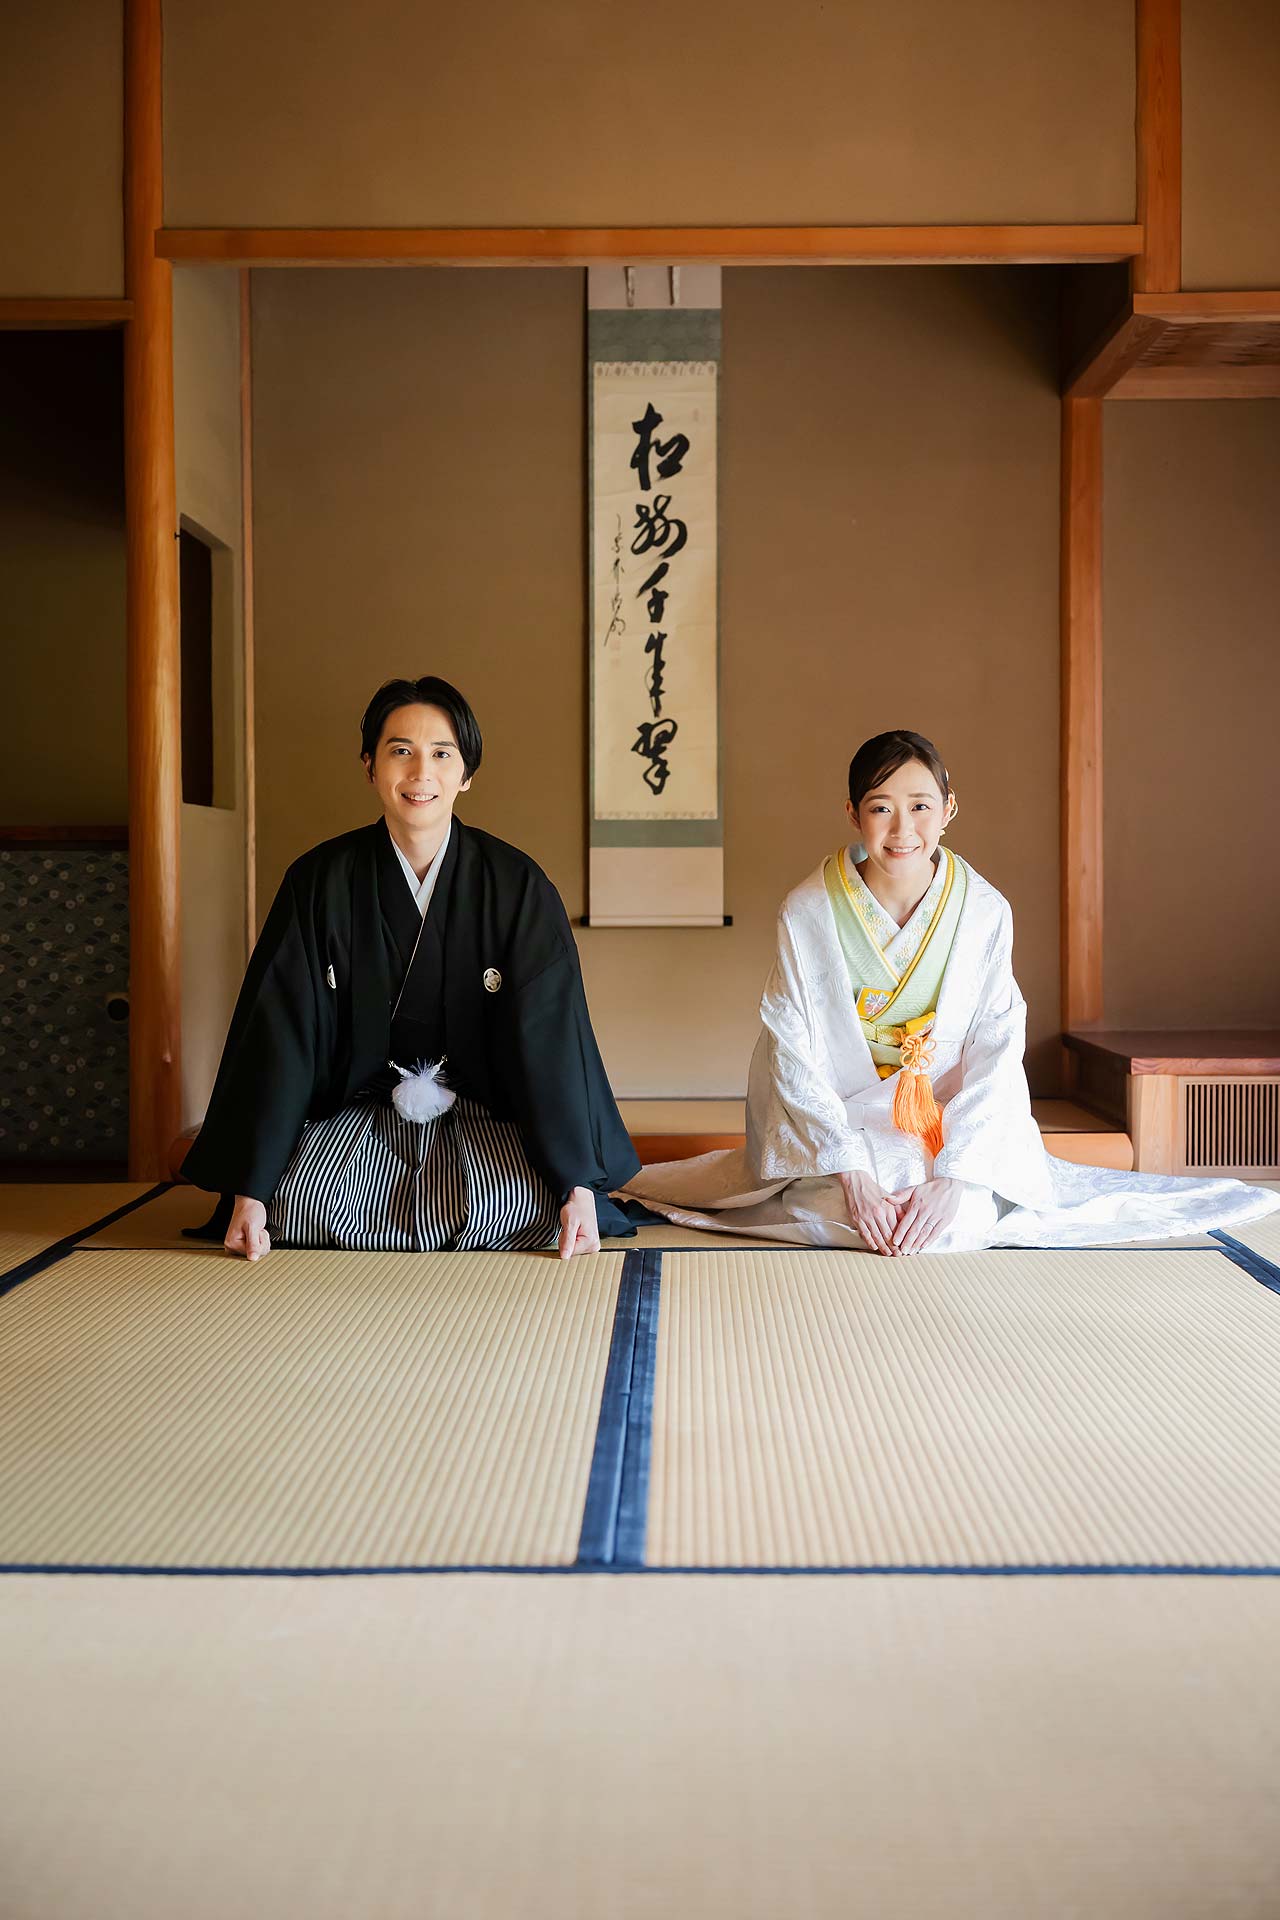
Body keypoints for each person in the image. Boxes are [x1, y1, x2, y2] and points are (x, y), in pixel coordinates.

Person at [623, 728, 1280, 1253]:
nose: (901, 828)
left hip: (941, 1115)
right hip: (841, 1119)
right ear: (853, 814)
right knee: (843, 1206)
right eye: (880, 808)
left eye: (919, 806)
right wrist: (851, 1172)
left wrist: (960, 1173)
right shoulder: (809, 910)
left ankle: (931, 1193)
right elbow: (789, 1048)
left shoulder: (984, 910)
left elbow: (996, 1043)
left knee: (951, 1215)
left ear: (948, 809)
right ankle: (853, 1189)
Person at [185, 676, 639, 1260]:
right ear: (370, 766)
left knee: (521, 1201)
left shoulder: (516, 885)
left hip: (484, 1114)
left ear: (466, 773)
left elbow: (550, 1035)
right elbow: (283, 1035)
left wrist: (575, 1186)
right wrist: (251, 1190)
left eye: (442, 753)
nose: (421, 772)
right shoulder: (319, 881)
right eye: (401, 750)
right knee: (295, 1201)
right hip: (357, 1115)